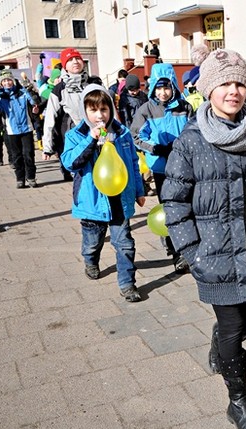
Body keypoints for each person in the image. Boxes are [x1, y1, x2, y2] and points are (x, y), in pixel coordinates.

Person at [161, 49, 246, 429]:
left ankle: (219, 341)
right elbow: (174, 200)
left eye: (240, 84)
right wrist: (191, 251)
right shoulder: (190, 142)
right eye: (225, 83)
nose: (233, 91)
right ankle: (239, 402)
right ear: (210, 88)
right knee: (232, 328)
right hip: (211, 255)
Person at [60, 84, 146, 302]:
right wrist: (90, 139)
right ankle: (90, 259)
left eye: (104, 110)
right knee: (92, 242)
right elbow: (70, 162)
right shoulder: (75, 135)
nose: (99, 115)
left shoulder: (121, 133)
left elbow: (133, 163)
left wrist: (139, 190)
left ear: (111, 110)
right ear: (85, 111)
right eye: (93, 110)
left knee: (124, 243)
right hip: (92, 202)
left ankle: (127, 284)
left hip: (119, 198)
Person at [131, 63, 193, 274]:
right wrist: (154, 148)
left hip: (185, 166)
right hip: (160, 168)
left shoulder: (184, 107)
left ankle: (189, 249)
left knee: (189, 207)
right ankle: (175, 251)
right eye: (158, 88)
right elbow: (136, 136)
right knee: (169, 209)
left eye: (166, 87)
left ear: (173, 86)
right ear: (152, 88)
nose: (163, 92)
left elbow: (195, 132)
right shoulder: (146, 109)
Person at [43, 47, 90, 181]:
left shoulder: (94, 84)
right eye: (70, 60)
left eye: (77, 58)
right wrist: (47, 147)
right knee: (81, 176)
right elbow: (50, 119)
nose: (75, 62)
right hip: (73, 138)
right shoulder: (59, 89)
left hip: (97, 135)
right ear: (65, 66)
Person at [0, 70, 39, 188]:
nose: (7, 83)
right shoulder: (1, 96)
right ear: (1, 83)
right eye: (4, 81)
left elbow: (34, 101)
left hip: (26, 128)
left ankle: (31, 177)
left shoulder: (22, 92)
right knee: (16, 155)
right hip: (12, 130)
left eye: (9, 80)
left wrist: (30, 90)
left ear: (13, 81)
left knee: (28, 154)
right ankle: (20, 179)